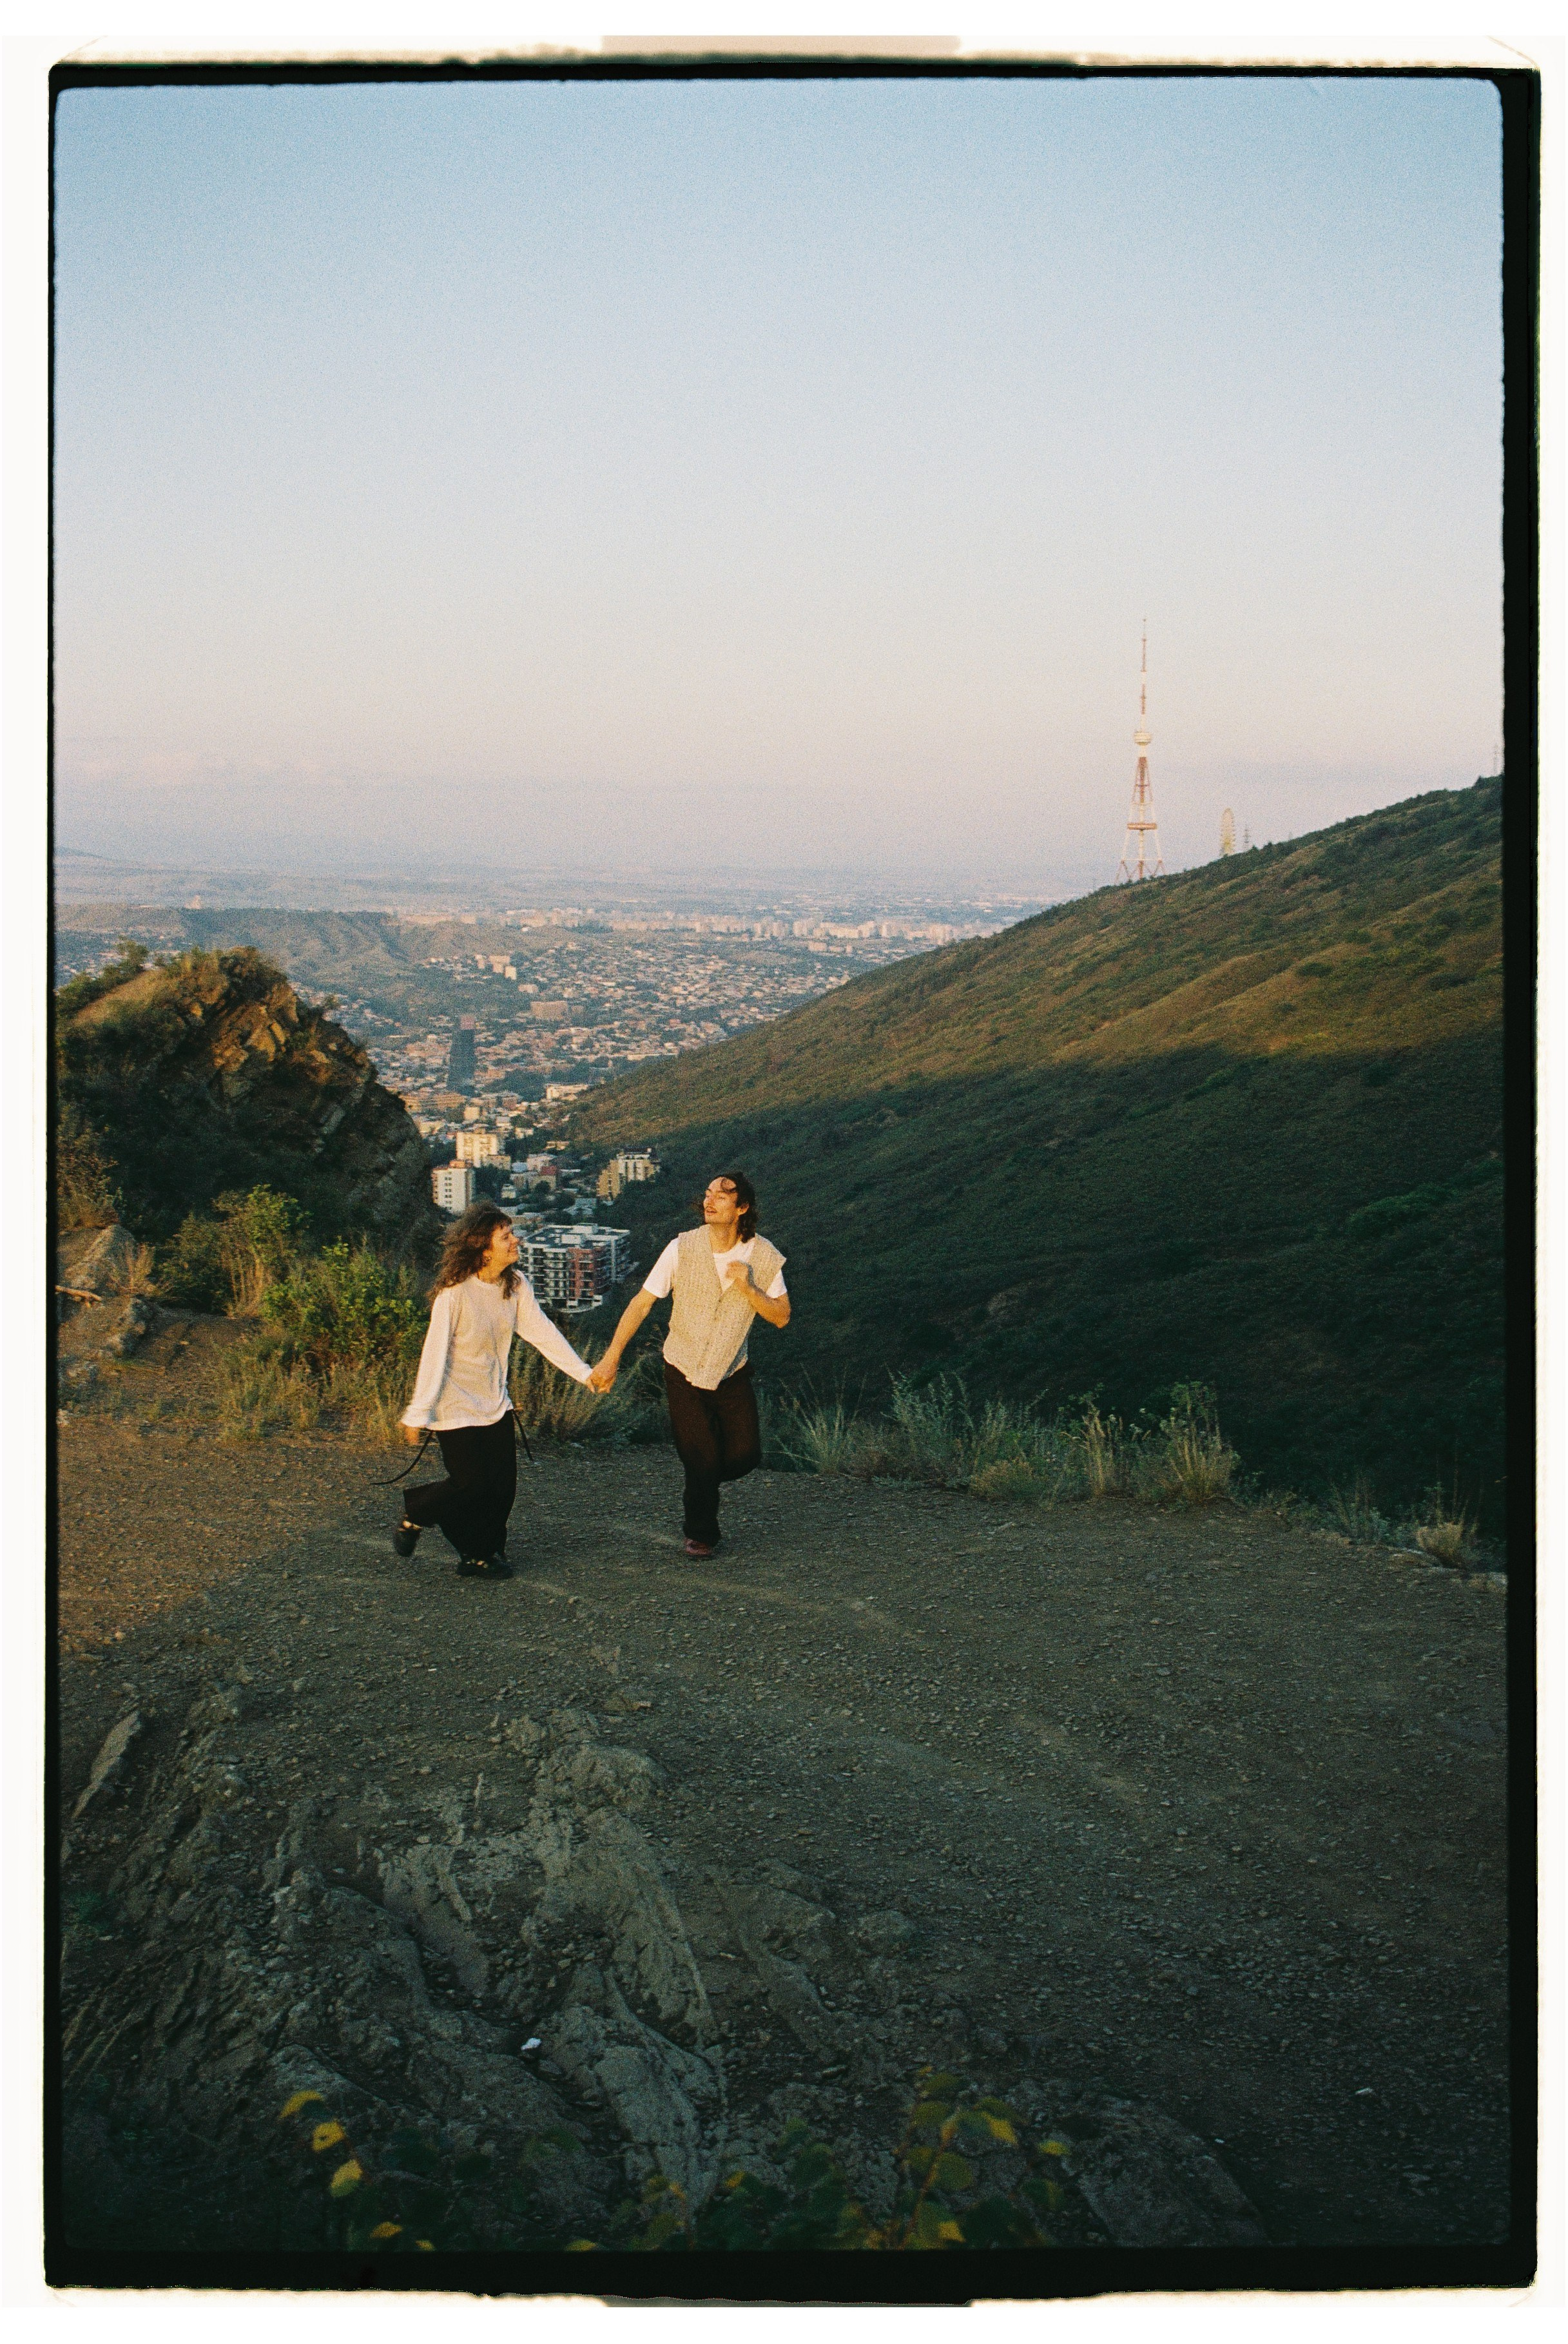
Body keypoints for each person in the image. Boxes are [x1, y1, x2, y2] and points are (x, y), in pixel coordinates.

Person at [590, 1172, 789, 1556]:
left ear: (742, 1207)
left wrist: (750, 1288)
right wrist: (611, 1357)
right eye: (708, 1193)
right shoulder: (682, 1247)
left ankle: (704, 1474)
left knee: (746, 1456)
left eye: (723, 1195)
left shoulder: (763, 1255)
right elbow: (642, 1304)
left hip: (732, 1372)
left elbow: (781, 1316)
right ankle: (701, 1534)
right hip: (682, 1369)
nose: (710, 1200)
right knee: (701, 1458)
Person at [396, 1201, 594, 1580]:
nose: (515, 1240)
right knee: (469, 1486)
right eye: (506, 1236)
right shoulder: (454, 1295)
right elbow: (433, 1355)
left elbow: (543, 1335)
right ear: (484, 1248)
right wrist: (418, 1413)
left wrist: (584, 1374)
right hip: (455, 1407)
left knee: (502, 1490)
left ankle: (484, 1553)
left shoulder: (515, 1286)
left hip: (495, 1403)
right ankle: (420, 1511)